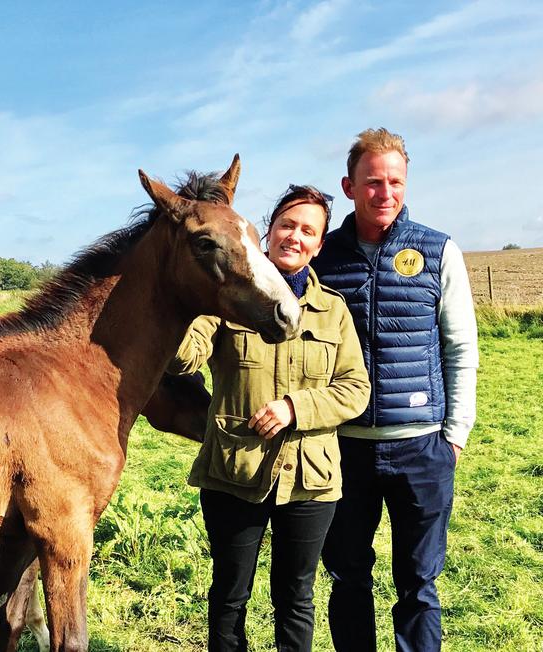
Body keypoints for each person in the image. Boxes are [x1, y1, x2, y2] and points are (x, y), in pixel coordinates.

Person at [171, 185, 371, 652]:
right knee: (229, 594)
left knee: (296, 596)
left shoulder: (332, 311)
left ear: (318, 245)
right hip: (234, 471)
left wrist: (294, 408)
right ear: (268, 231)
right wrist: (180, 302)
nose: (294, 237)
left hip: (311, 479)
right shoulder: (225, 299)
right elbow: (184, 358)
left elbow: (355, 389)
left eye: (308, 231)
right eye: (287, 225)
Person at [313, 128, 479, 652]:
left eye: (395, 182)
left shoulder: (438, 250)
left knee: (419, 584)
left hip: (424, 447)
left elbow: (460, 346)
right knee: (348, 577)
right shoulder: (324, 256)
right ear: (349, 185)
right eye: (372, 182)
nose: (384, 193)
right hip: (344, 447)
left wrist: (454, 434)